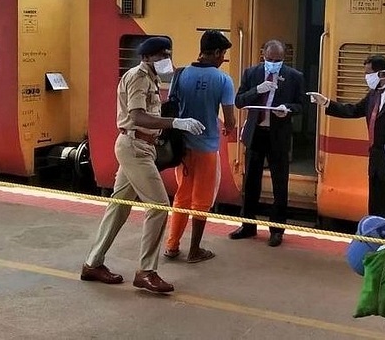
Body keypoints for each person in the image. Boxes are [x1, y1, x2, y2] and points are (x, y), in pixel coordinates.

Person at [81, 36, 205, 293]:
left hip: (139, 146)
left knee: (119, 207)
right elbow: (137, 116)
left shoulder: (150, 77)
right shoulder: (138, 77)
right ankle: (146, 271)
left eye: (167, 55)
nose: (165, 60)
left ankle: (92, 263)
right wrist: (175, 123)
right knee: (159, 206)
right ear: (147, 57)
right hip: (135, 147)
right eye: (161, 56)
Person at [307, 54, 385, 219]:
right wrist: (326, 103)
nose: (366, 78)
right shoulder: (373, 94)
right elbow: (354, 110)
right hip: (376, 159)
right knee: (376, 205)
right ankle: (376, 239)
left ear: (382, 74)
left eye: (368, 73)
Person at [164, 30, 236, 263]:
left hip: (182, 146)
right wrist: (229, 127)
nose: (223, 58)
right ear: (215, 52)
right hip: (206, 148)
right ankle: (194, 250)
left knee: (182, 196)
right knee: (202, 201)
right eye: (223, 53)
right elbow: (230, 119)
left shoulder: (180, 74)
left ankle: (172, 246)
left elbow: (173, 106)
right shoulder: (223, 79)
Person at [228, 39, 305, 247]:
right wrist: (258, 90)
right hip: (256, 132)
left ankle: (277, 230)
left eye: (278, 60)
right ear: (263, 55)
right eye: (270, 59)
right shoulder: (251, 73)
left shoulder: (294, 77)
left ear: (283, 59)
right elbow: (239, 101)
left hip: (278, 134)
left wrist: (287, 109)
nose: (273, 63)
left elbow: (300, 106)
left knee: (280, 183)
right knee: (251, 180)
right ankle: (248, 225)